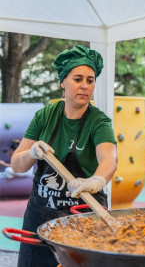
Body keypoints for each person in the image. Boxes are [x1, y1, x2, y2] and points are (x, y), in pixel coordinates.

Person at [11, 45, 118, 267]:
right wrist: (31, 153)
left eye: (90, 80)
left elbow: (109, 159)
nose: (84, 86)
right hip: (40, 215)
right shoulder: (45, 116)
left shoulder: (99, 121)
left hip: (85, 217)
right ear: (63, 82)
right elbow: (17, 165)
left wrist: (95, 181)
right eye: (78, 79)